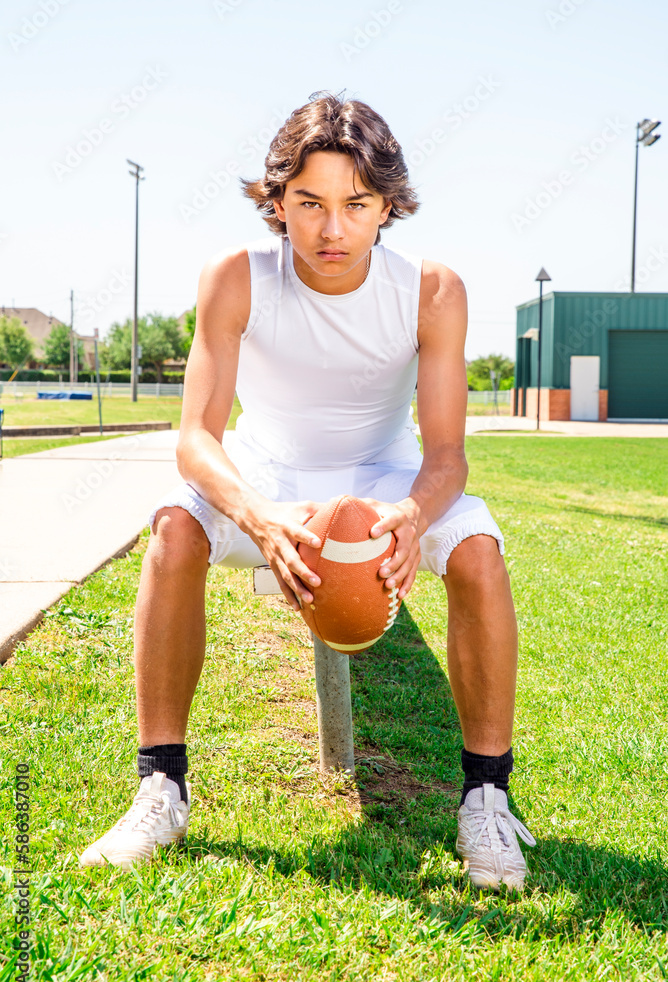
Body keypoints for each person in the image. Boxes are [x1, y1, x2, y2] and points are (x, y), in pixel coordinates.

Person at [79, 91, 535, 889]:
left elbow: (449, 454)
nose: (333, 230)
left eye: (356, 205)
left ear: (387, 204)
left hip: (389, 476)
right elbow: (195, 438)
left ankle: (487, 796)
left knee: (480, 553)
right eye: (310, 203)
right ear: (277, 202)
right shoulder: (236, 277)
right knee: (172, 531)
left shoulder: (431, 291)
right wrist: (259, 513)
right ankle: (161, 782)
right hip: (267, 476)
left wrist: (413, 513)